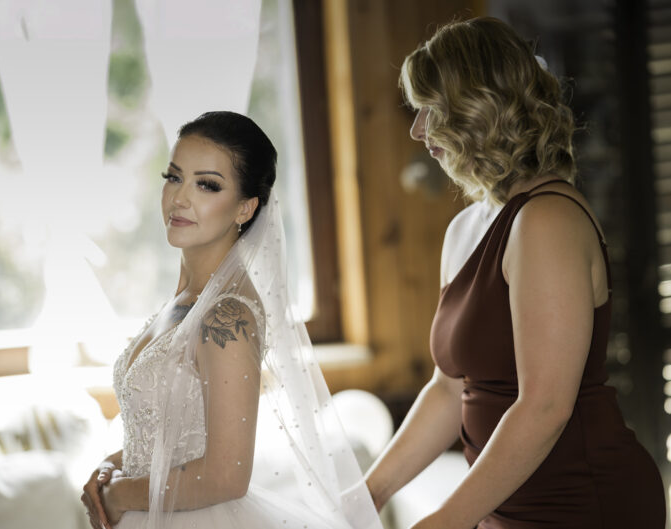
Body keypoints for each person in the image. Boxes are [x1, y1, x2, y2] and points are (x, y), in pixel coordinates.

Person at [365, 17, 666, 529]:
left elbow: (545, 407)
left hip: (581, 502)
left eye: (430, 109)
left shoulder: (547, 220)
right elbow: (448, 390)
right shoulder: (464, 227)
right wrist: (368, 493)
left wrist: (447, 519)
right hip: (503, 502)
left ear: (479, 107)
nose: (417, 130)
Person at [80, 111, 382, 529]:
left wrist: (119, 495)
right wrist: (110, 468)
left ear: (245, 208)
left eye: (206, 184)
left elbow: (226, 476)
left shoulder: (227, 316)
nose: (180, 198)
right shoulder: (186, 300)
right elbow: (164, 438)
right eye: (174, 177)